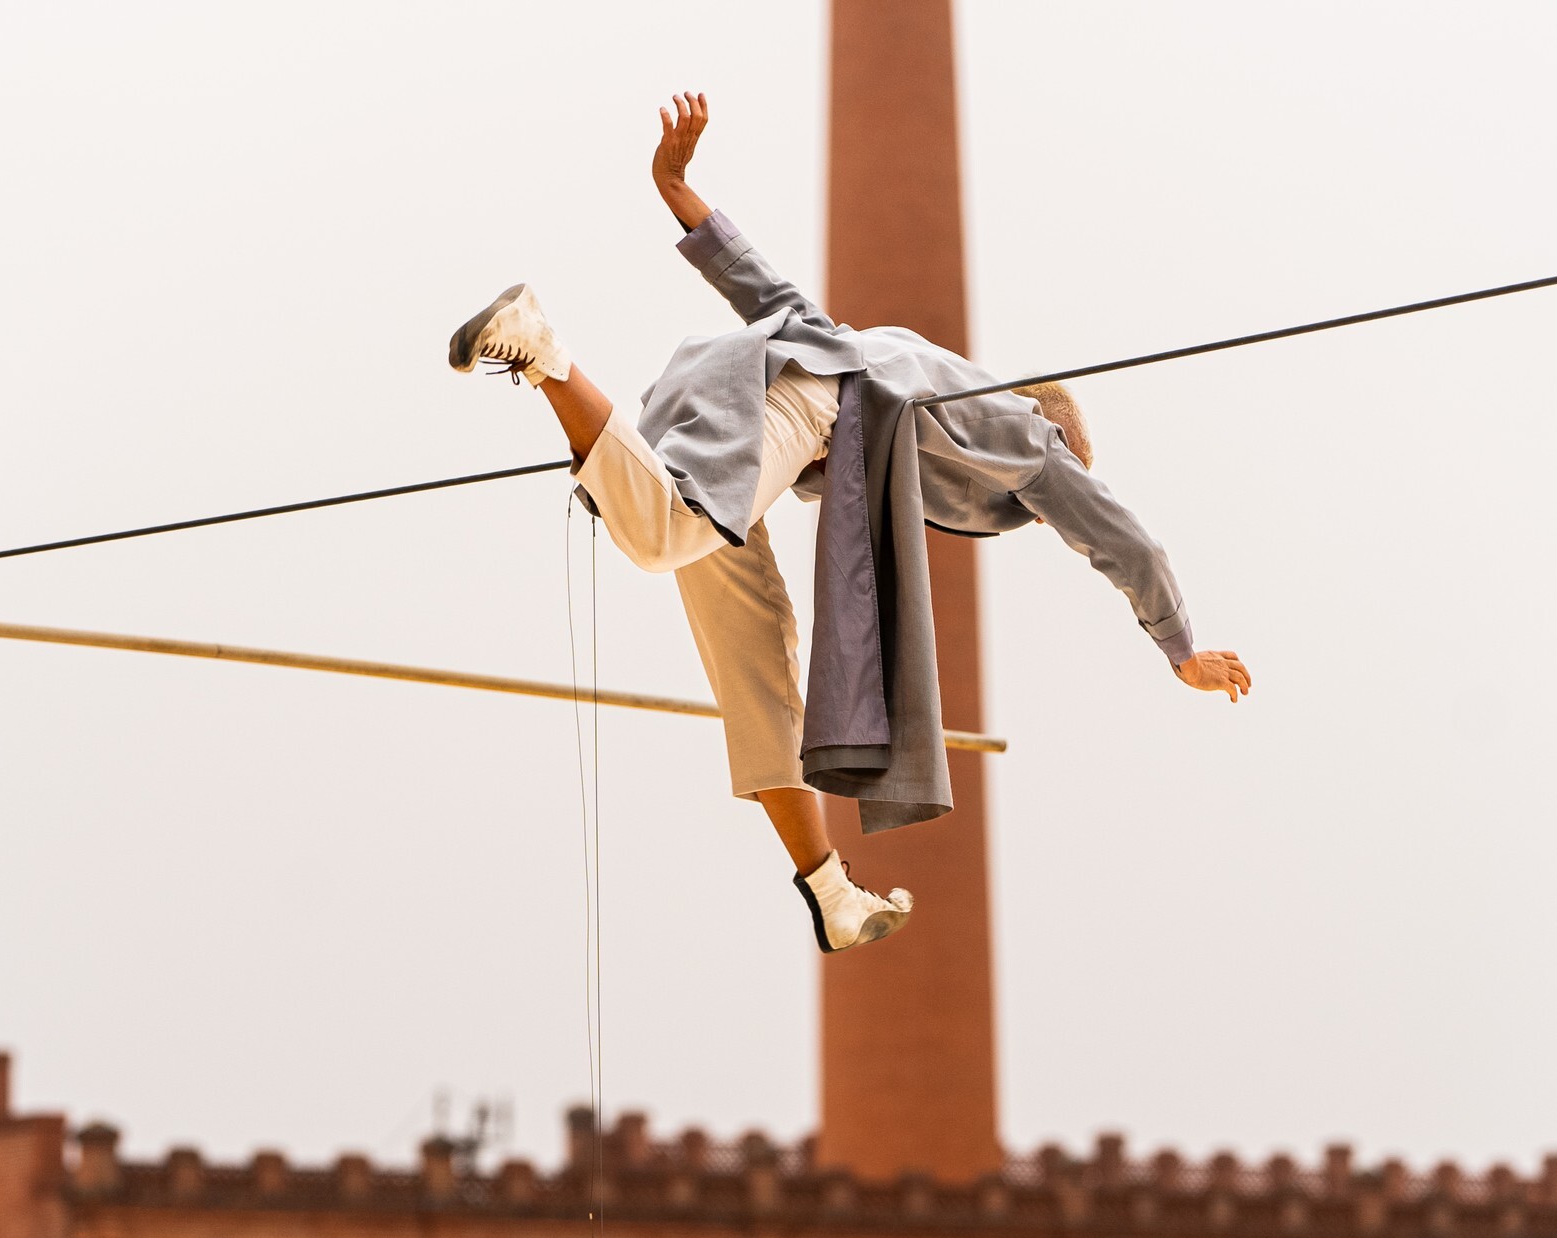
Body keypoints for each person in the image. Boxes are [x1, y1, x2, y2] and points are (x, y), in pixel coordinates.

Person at [450, 94, 1250, 955]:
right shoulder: (1028, 436)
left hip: (730, 414)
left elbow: (773, 295)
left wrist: (679, 192)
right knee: (662, 536)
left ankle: (828, 891)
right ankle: (544, 353)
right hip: (800, 404)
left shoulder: (905, 364)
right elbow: (1123, 538)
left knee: (755, 674)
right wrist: (1180, 649)